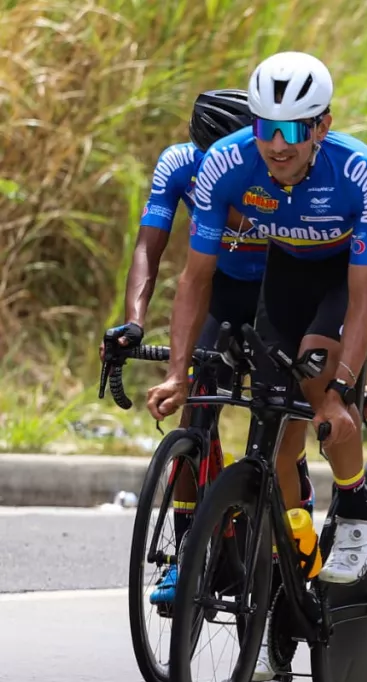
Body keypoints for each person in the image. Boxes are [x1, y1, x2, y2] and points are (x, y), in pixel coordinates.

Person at [144, 51, 367, 679]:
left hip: (350, 273)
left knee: (316, 384)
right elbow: (193, 277)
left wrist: (340, 387)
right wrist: (178, 370)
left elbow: (364, 297)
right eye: (266, 127)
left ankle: (357, 505)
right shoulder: (227, 164)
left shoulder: (360, 171)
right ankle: (282, 582)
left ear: (321, 125)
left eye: (293, 130)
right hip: (286, 271)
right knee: (276, 445)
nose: (277, 145)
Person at [102, 89, 316, 608]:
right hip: (219, 290)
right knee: (195, 411)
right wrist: (133, 322)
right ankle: (187, 552)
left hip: (276, 293)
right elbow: (148, 248)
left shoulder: (277, 166)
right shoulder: (180, 163)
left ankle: (284, 533)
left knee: (276, 418)